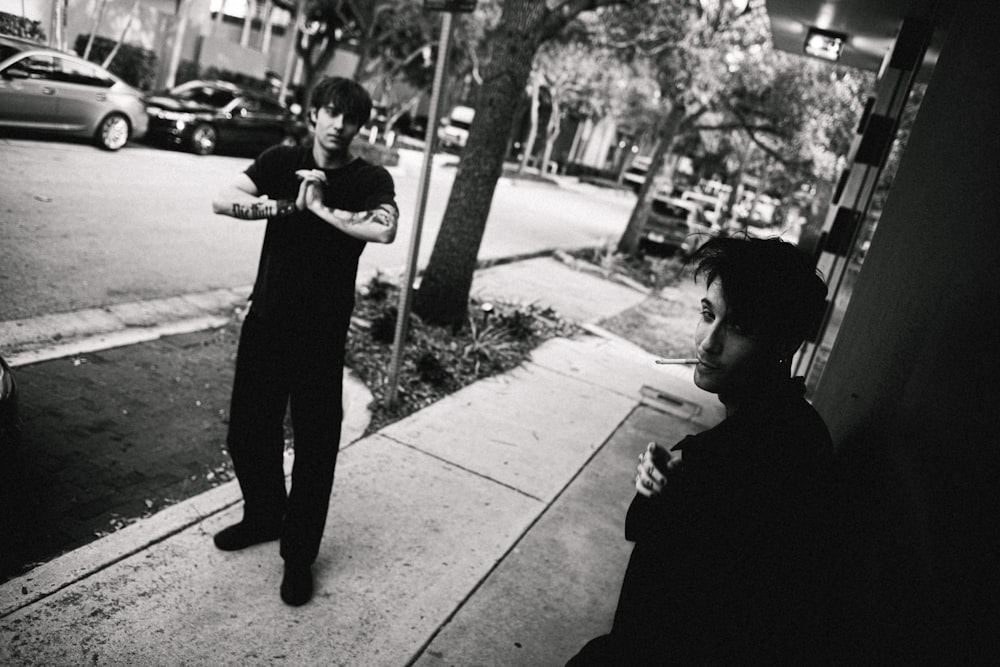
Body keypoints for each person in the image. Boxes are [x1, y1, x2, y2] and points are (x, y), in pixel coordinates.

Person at [568, 236, 842, 665]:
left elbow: (663, 593)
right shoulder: (798, 428)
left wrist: (671, 489)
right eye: (708, 314)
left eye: (739, 328)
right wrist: (662, 488)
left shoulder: (732, 457)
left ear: (785, 344)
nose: (708, 343)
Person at [209, 76, 398, 606]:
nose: (340, 125)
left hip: (320, 337)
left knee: (315, 450)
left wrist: (318, 208)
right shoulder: (280, 160)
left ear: (360, 126)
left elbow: (384, 229)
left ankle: (298, 557)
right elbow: (223, 200)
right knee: (248, 433)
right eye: (332, 113)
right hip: (267, 323)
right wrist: (287, 205)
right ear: (314, 114)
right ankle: (264, 515)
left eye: (351, 118)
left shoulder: (368, 179)